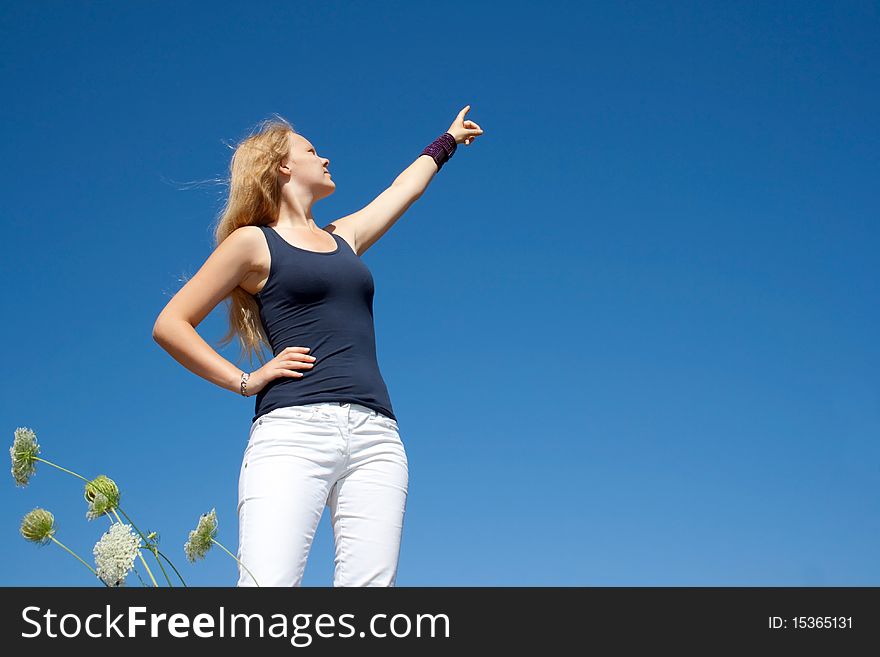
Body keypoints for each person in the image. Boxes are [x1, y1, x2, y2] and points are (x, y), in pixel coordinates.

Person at [152, 106, 484, 586]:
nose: (325, 158)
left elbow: (402, 190)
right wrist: (244, 380)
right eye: (311, 150)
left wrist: (447, 142)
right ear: (282, 166)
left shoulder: (343, 237)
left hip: (377, 437)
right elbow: (171, 324)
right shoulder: (252, 244)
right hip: (294, 432)